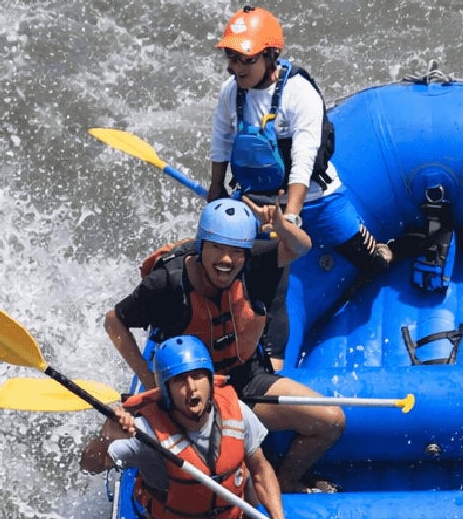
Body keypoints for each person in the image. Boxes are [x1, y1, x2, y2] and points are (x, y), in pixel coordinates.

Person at [101, 195, 345, 493]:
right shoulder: (167, 283)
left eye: (235, 251)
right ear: (201, 246)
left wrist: (280, 224)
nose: (226, 260)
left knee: (331, 420)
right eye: (216, 247)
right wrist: (148, 378)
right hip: (186, 391)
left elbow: (300, 247)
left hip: (245, 379)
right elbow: (114, 322)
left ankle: (285, 480)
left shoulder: (254, 265)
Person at [79, 333, 321, 519]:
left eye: (198, 376)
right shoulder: (146, 433)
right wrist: (106, 436)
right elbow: (90, 466)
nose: (192, 388)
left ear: (210, 379)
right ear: (166, 389)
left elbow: (261, 471)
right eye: (180, 380)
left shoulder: (237, 412)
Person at [207, 6, 391, 278]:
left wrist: (290, 218)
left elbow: (304, 160)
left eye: (246, 59)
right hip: (254, 203)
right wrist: (215, 190)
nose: (236, 67)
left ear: (270, 56)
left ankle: (393, 248)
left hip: (317, 201)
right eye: (231, 58)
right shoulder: (230, 91)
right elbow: (221, 140)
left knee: (374, 263)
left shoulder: (300, 93)